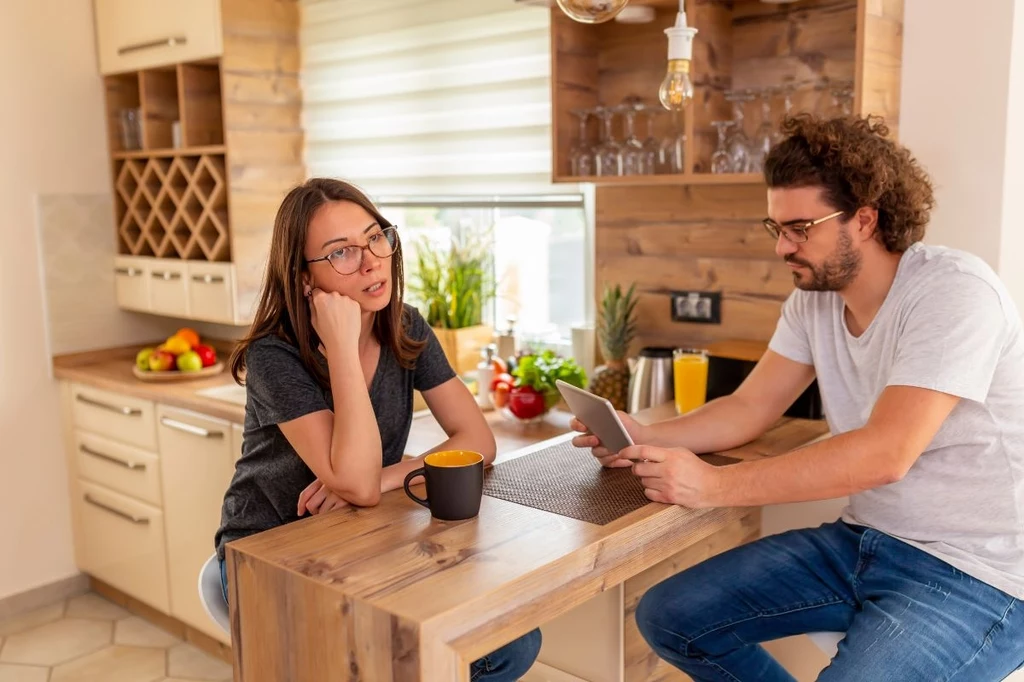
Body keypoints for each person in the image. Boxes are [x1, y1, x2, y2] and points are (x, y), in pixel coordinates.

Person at [571, 115, 1024, 681]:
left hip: (980, 575)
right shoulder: (814, 302)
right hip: (865, 543)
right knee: (671, 615)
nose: (783, 246)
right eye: (776, 227)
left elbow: (886, 454)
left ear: (865, 218)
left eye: (801, 227)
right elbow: (748, 407)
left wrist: (711, 485)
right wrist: (645, 434)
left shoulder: (955, 292)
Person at [214, 178, 542, 681]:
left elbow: (478, 442)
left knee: (510, 641)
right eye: (340, 252)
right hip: (269, 555)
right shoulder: (273, 356)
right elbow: (357, 482)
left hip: (362, 538)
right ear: (304, 279)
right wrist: (342, 347)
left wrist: (387, 477)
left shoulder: (405, 325)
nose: (370, 261)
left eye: (375, 237)